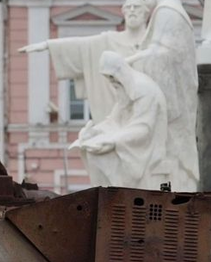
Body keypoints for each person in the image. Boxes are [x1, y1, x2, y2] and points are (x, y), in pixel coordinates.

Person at [21, 0, 149, 123]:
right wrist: (47, 45)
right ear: (124, 12)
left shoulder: (153, 42)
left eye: (136, 7)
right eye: (128, 7)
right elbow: (80, 45)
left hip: (147, 110)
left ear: (145, 13)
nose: (132, 10)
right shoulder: (109, 40)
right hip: (117, 111)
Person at [127, 0, 199, 190]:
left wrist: (128, 63)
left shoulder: (168, 11)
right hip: (175, 92)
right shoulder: (166, 10)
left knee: (174, 153)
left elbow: (162, 53)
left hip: (175, 96)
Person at [72, 52, 170, 189]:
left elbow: (143, 129)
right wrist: (94, 132)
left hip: (147, 148)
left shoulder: (144, 90)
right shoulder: (125, 89)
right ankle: (102, 193)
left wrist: (112, 141)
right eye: (108, 77)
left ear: (121, 72)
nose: (111, 81)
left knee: (100, 154)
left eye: (112, 76)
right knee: (90, 148)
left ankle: (110, 194)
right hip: (131, 143)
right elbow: (113, 121)